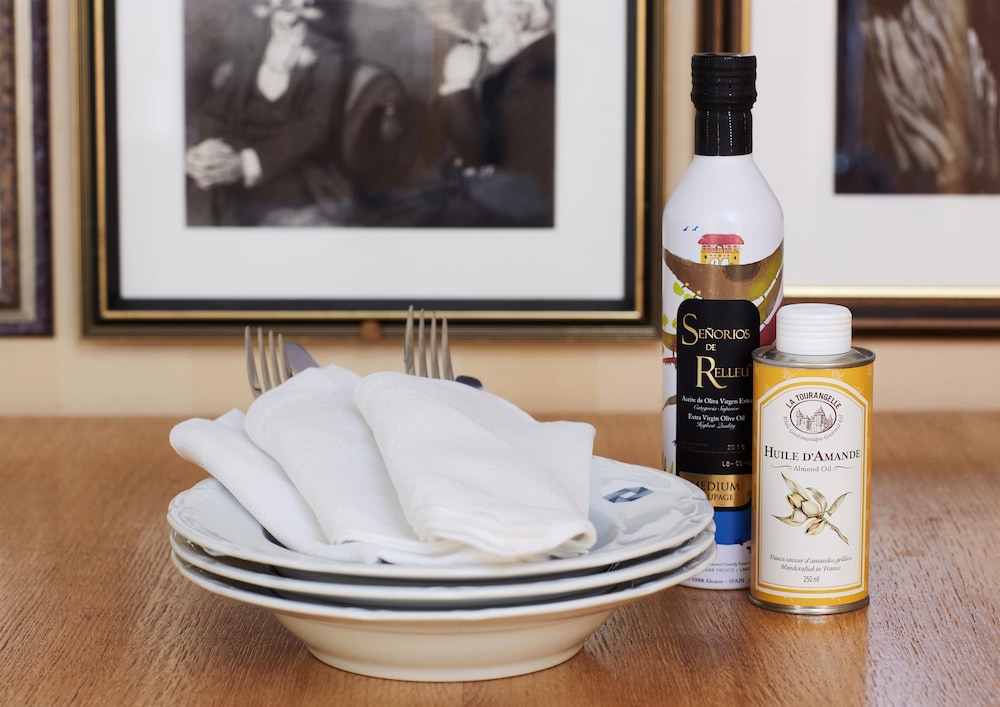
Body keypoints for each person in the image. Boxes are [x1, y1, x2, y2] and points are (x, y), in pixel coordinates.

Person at [185, 0, 354, 226]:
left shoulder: (329, 56)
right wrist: (208, 149)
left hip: (295, 169)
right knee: (201, 194)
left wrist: (247, 163)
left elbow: (316, 128)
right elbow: (216, 108)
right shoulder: (249, 45)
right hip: (237, 154)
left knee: (223, 199)